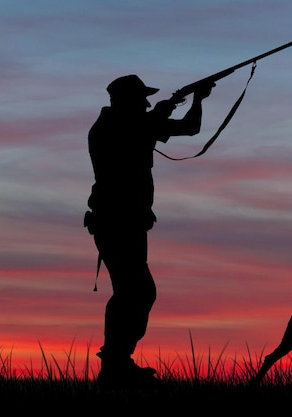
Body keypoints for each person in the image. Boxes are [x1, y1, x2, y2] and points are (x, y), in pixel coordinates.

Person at [84, 74, 214, 389]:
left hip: (127, 222)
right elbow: (151, 126)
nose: (145, 103)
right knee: (136, 292)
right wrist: (173, 104)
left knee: (134, 292)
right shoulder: (114, 127)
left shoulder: (132, 124)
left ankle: (117, 362)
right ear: (125, 101)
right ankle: (115, 363)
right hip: (116, 222)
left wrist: (194, 100)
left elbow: (188, 128)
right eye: (140, 98)